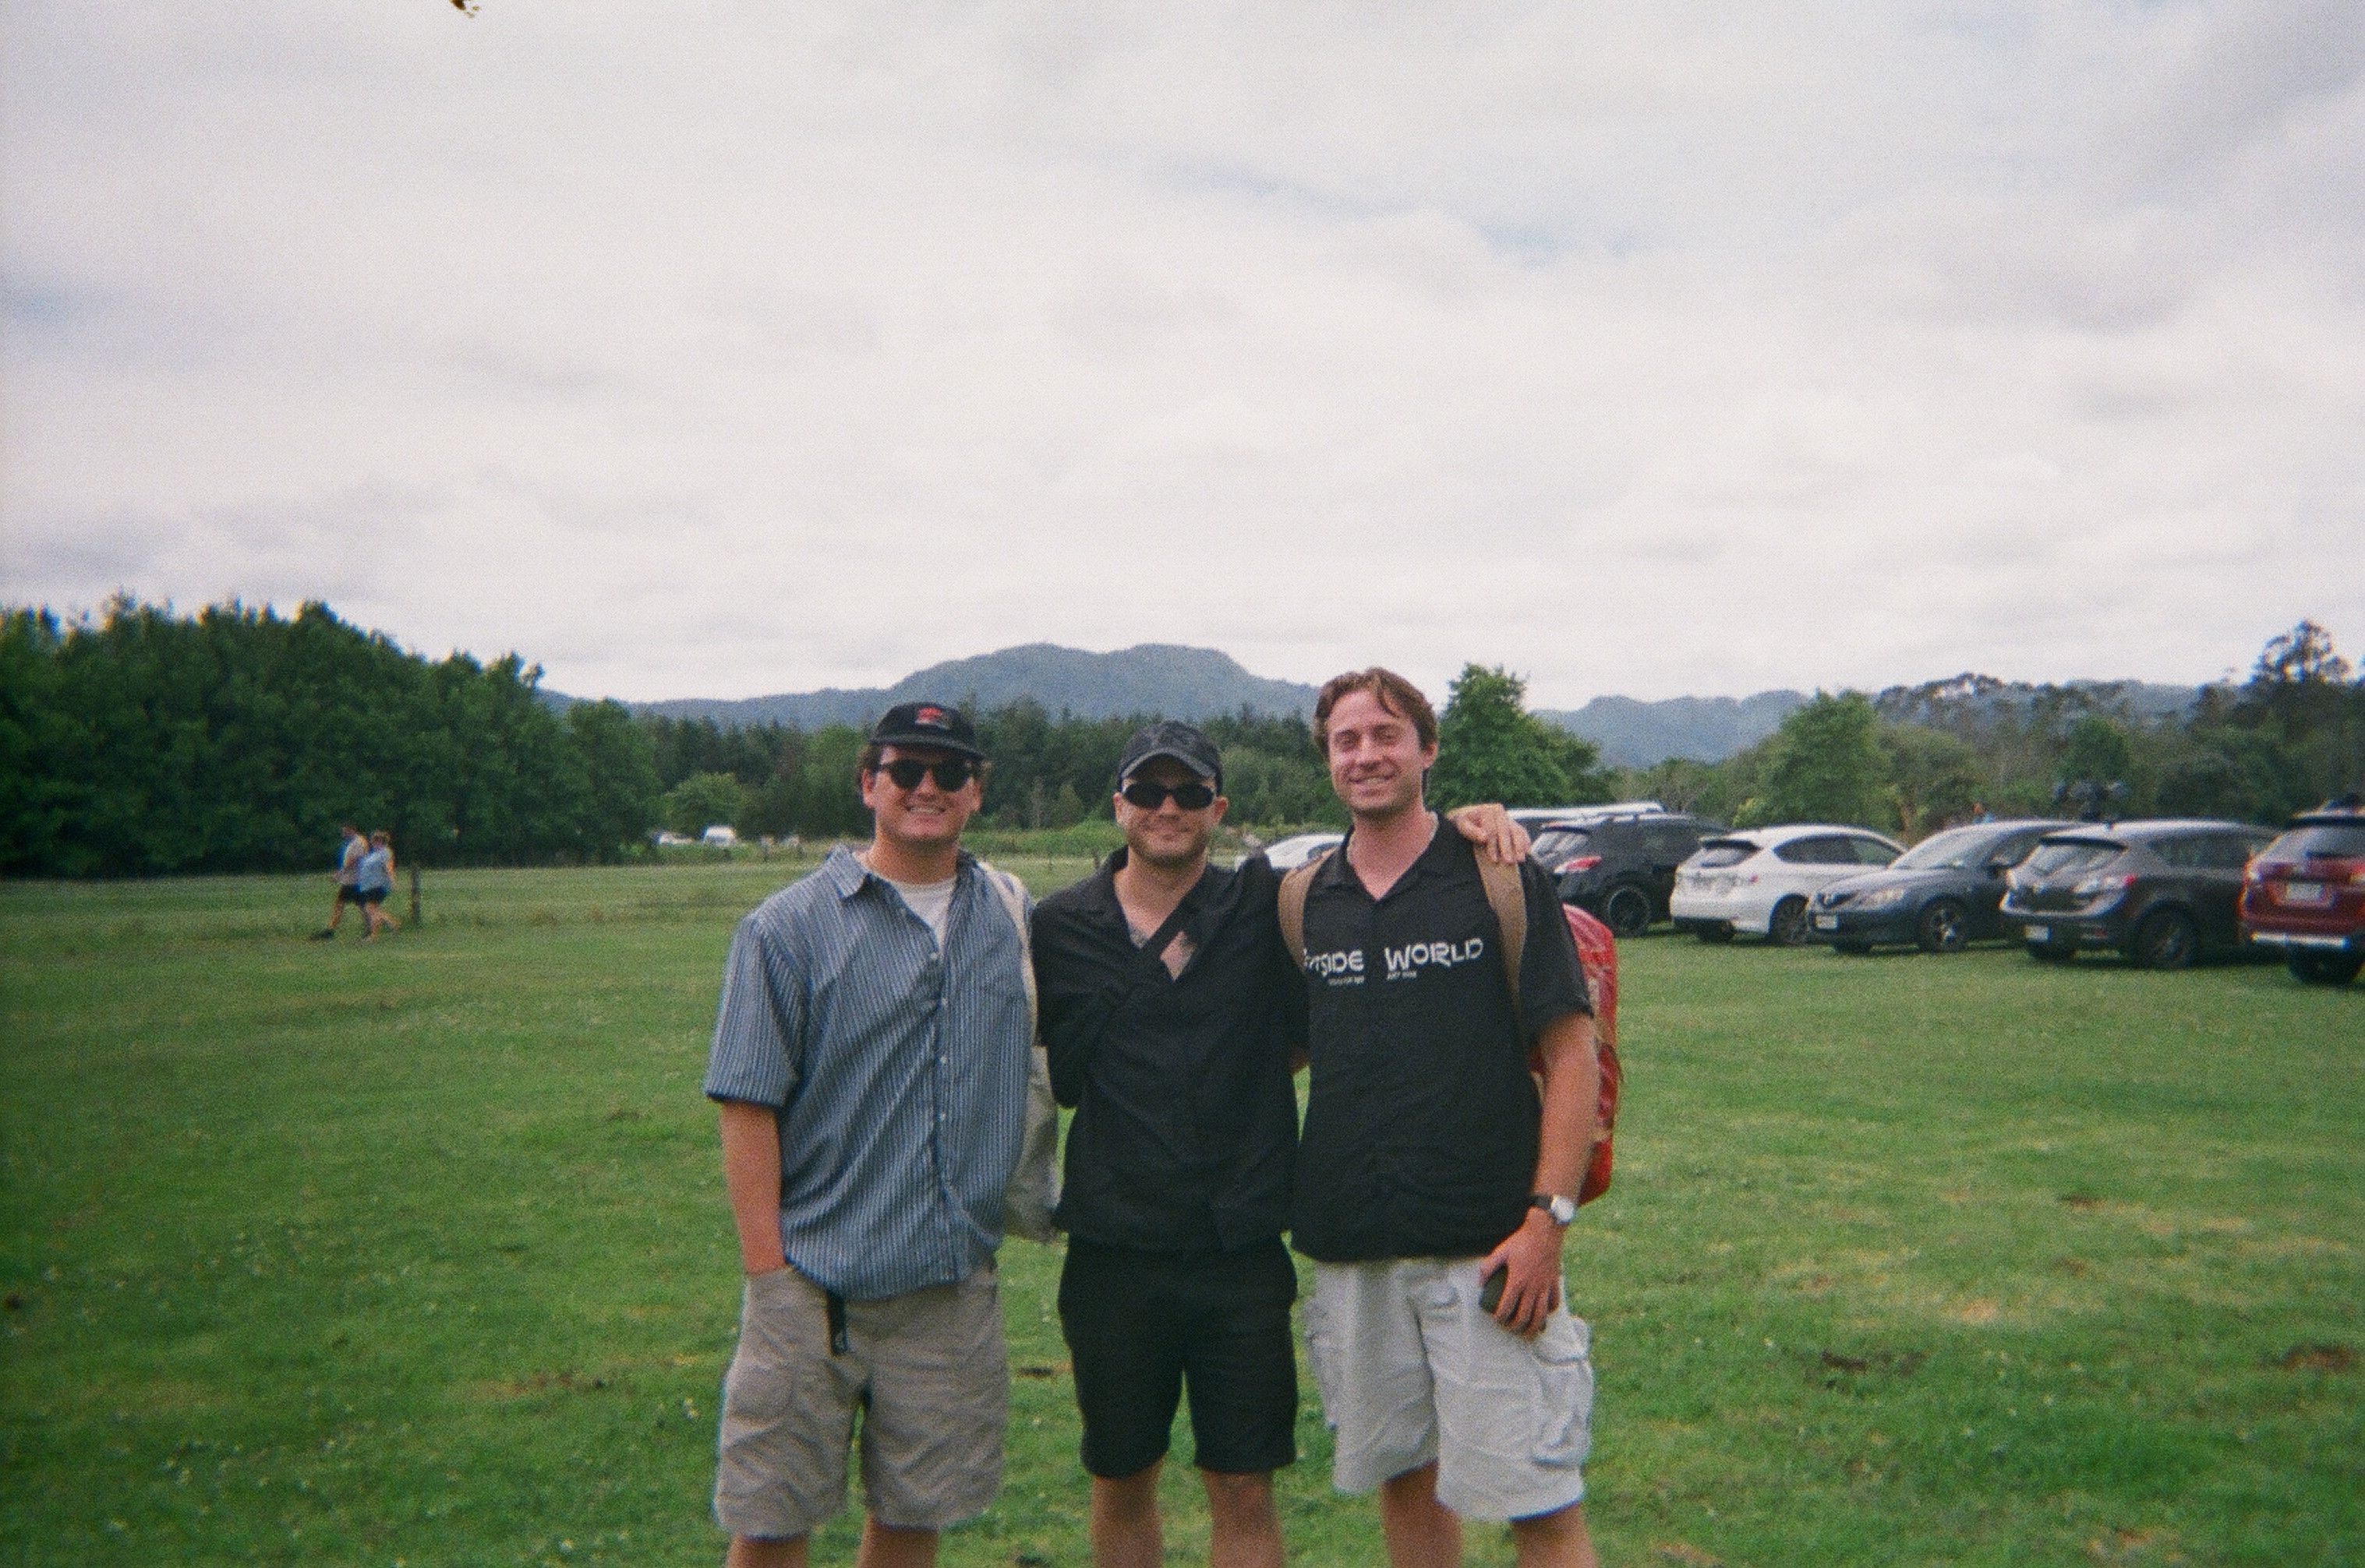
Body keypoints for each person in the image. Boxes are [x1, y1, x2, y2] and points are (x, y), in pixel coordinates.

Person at [1030, 720, 1533, 1568]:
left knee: (1243, 1484)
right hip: (1113, 1248)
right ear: (1118, 804)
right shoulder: (1056, 925)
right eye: (1148, 791)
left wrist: (1469, 819)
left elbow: (1374, 864)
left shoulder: (1262, 906)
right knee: (1121, 1475)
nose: (1167, 807)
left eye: (1189, 792)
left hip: (1240, 1249)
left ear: (1218, 808)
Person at [702, 701, 1035, 1568]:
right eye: (906, 769)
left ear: (976, 793)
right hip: (811, 1286)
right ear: (867, 783)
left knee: (912, 1518)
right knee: (772, 1523)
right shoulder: (785, 927)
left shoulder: (1013, 915)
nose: (928, 787)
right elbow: (746, 1104)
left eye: (950, 771)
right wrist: (768, 1274)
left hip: (945, 1285)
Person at [1290, 669, 1603, 1568]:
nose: (1366, 754)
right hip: (1359, 1248)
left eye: (1386, 734)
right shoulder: (1306, 898)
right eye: (1346, 740)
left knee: (1537, 1500)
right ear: (1328, 761)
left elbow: (1571, 1053)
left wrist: (1548, 1220)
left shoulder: (1499, 874)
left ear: (1427, 750)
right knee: (1407, 1484)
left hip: (1491, 1247)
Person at [312, 824, 366, 939]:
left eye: (345, 832)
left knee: (345, 905)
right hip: (352, 880)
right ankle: (371, 928)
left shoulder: (357, 842)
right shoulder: (353, 842)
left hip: (353, 881)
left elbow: (353, 861)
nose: (343, 834)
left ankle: (330, 931)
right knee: (360, 905)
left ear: (352, 830)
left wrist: (339, 874)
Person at [357, 832, 400, 940]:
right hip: (369, 886)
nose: (372, 843)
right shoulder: (375, 853)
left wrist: (393, 881)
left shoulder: (385, 852)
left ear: (379, 841)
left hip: (378, 885)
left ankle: (374, 935)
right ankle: (392, 923)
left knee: (371, 910)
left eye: (374, 841)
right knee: (373, 910)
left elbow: (389, 868)